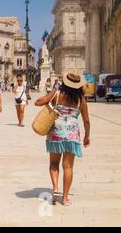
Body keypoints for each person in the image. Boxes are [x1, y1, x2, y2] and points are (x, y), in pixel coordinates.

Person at [35, 72, 90, 206]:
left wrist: (53, 91)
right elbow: (86, 120)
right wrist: (87, 135)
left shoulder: (58, 94)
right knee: (68, 166)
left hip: (56, 132)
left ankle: (55, 188)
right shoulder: (81, 99)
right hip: (72, 134)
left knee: (54, 163)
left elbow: (38, 102)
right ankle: (65, 198)